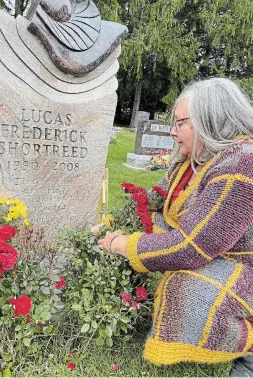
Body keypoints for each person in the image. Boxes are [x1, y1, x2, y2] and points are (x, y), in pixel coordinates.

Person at [97, 77, 253, 375]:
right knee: (156, 233)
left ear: (209, 120)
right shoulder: (196, 158)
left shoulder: (242, 165)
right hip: (220, 255)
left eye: (179, 123)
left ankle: (247, 347)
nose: (172, 131)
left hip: (245, 269)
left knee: (188, 287)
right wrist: (113, 223)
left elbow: (192, 245)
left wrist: (123, 244)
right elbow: (155, 201)